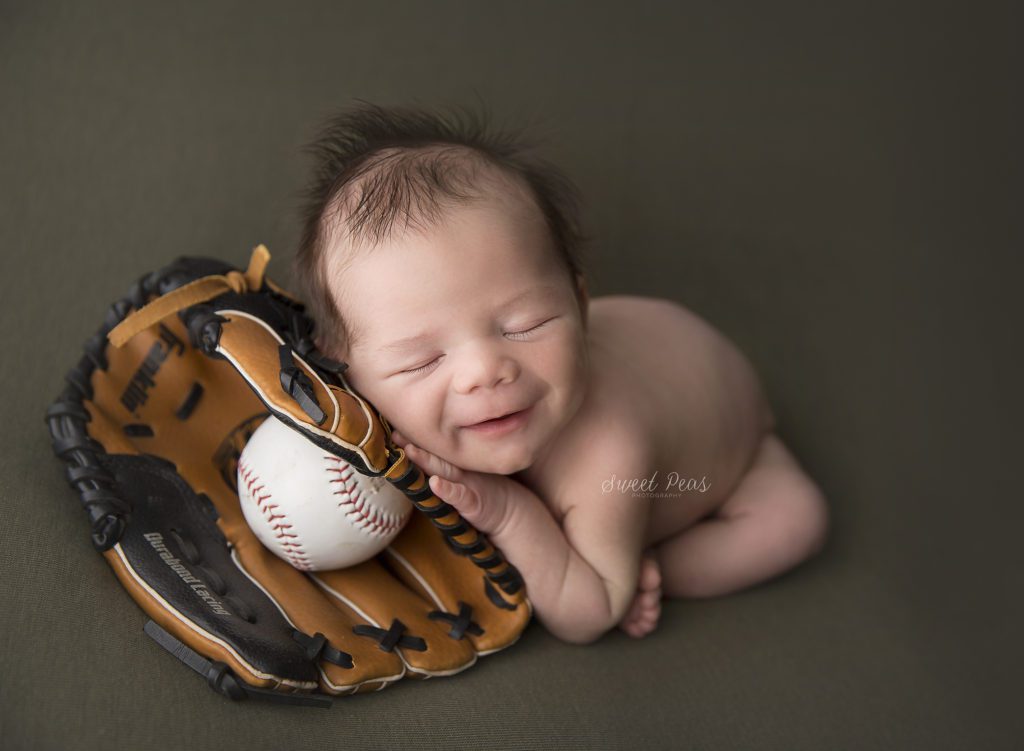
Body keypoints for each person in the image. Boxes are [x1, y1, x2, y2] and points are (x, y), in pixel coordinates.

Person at [291, 101, 829, 644]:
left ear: (579, 303)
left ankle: (654, 559)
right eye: (422, 360)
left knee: (796, 522)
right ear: (346, 367)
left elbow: (590, 612)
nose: (484, 371)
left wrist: (509, 514)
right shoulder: (366, 402)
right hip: (663, 349)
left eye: (527, 325)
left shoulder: (606, 455)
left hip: (733, 438)